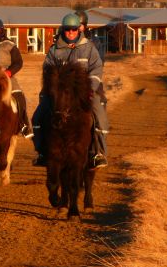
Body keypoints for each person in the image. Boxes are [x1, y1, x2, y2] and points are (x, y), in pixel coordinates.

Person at [31, 12, 109, 169]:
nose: (71, 33)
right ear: (63, 30)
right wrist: (52, 88)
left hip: (83, 92)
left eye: (74, 30)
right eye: (67, 30)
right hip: (60, 93)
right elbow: (47, 70)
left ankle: (98, 153)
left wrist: (89, 89)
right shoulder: (54, 50)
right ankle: (42, 152)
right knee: (37, 117)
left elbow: (96, 69)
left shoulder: (89, 48)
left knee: (100, 116)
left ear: (79, 30)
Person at [0, 16, 34, 139]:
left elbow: (18, 62)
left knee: (20, 97)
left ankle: (24, 124)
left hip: (7, 78)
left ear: (2, 31)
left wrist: (9, 72)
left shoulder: (10, 45)